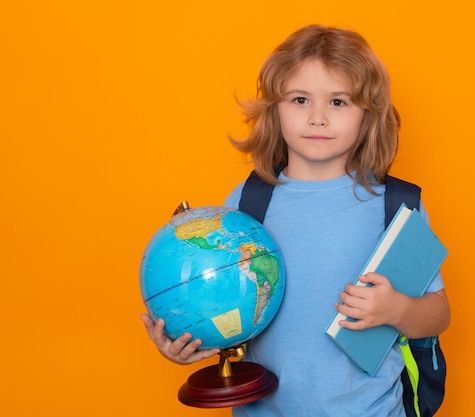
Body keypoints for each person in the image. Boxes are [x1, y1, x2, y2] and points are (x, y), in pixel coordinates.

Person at [142, 24, 450, 417]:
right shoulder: (245, 204)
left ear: (368, 113)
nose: (317, 118)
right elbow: (227, 314)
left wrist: (397, 310)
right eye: (300, 99)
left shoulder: (396, 206)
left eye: (338, 102)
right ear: (275, 108)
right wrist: (188, 341)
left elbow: (440, 313)